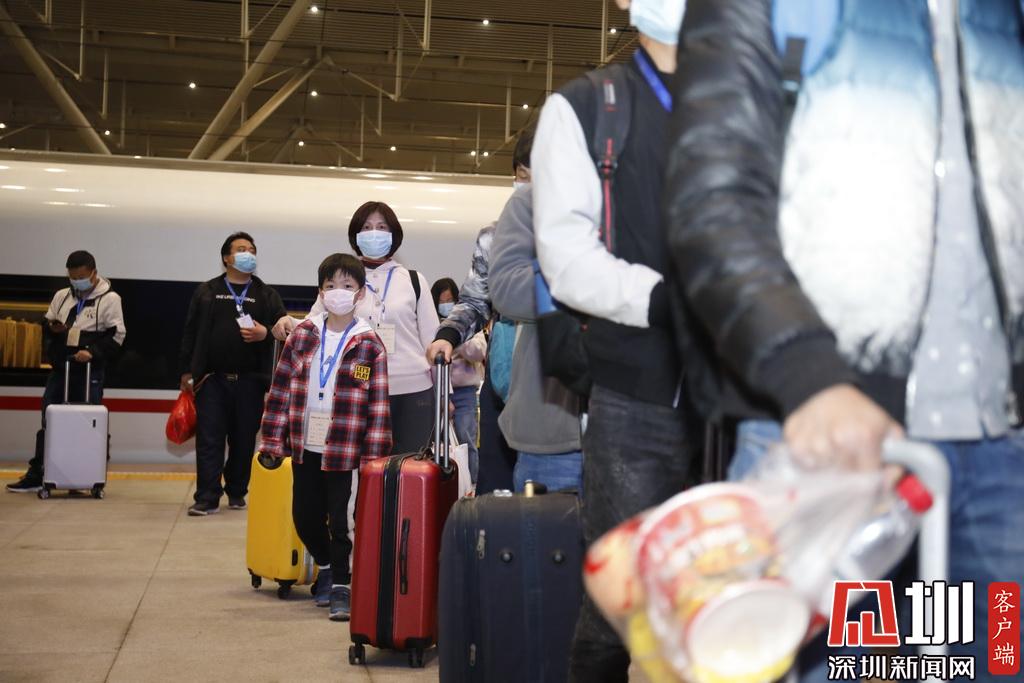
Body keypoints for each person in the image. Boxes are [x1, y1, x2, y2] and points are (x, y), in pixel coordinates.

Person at [665, 0, 1024, 675]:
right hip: (828, 444)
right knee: (840, 665)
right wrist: (809, 378)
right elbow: (713, 200)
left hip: (1003, 459)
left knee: (1001, 659)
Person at [531, 1, 694, 679]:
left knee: (737, 594)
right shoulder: (585, 107)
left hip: (749, 401)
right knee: (617, 606)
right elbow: (566, 257)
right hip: (637, 396)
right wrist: (666, 300)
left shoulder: (762, 98)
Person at [260, 253, 391, 621]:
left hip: (347, 449)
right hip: (306, 445)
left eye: (347, 285)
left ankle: (341, 587)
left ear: (360, 294)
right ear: (320, 292)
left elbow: (379, 405)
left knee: (342, 521)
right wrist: (272, 441)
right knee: (304, 516)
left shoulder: (369, 343)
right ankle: (327, 566)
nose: (338, 292)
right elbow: (280, 390)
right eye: (331, 285)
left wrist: (374, 459)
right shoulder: (303, 335)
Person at [274, 202, 438, 455]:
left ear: (394, 234)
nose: (374, 233)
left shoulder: (414, 280)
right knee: (363, 466)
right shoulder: (341, 278)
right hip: (357, 387)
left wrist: (445, 396)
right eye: (367, 227)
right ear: (356, 235)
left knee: (410, 466)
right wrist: (289, 323)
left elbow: (434, 341)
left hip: (413, 391)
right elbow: (315, 323)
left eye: (381, 227)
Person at [425, 132, 534, 493]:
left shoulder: (578, 233)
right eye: (522, 175)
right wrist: (447, 335)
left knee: (548, 490)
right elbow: (474, 300)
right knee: (497, 485)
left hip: (555, 386)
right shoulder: (493, 237)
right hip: (503, 378)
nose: (529, 186)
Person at [178, 232, 286, 516]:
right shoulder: (207, 291)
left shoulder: (266, 294)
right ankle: (207, 497)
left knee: (244, 440)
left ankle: (237, 491)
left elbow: (285, 331)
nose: (248, 254)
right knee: (209, 440)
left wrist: (265, 333)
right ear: (226, 258)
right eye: (241, 249)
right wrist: (186, 371)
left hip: (251, 381)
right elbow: (190, 332)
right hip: (211, 380)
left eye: (252, 250)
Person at [489, 184, 585, 493]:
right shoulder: (533, 199)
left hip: (639, 428)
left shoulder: (648, 188)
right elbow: (507, 290)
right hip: (554, 429)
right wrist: (595, 282)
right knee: (549, 524)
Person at [7, 250, 126, 493]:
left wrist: (92, 352)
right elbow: (46, 323)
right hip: (62, 369)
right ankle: (39, 473)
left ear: (94, 273)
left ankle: (85, 475)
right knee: (49, 419)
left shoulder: (110, 299)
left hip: (89, 371)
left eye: (81, 277)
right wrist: (53, 329)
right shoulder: (62, 296)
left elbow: (117, 335)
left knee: (87, 422)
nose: (76, 282)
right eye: (72, 277)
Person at [431, 277, 487, 484]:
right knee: (438, 444)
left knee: (466, 440)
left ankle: (471, 485)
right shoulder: (430, 324)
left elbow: (479, 352)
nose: (446, 305)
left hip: (465, 393)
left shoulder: (471, 323)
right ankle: (442, 485)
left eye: (450, 301)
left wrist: (454, 337)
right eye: (441, 301)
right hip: (437, 393)